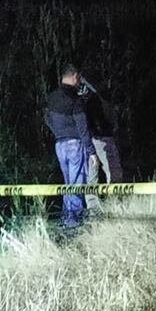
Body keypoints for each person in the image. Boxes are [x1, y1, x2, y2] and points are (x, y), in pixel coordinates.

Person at [43, 64, 91, 229]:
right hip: (75, 144)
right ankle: (73, 223)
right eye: (79, 79)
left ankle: (66, 218)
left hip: (60, 144)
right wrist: (91, 150)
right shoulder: (75, 99)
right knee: (77, 183)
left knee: (67, 182)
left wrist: (58, 132)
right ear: (75, 77)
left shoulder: (52, 97)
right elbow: (82, 126)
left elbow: (47, 118)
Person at [81, 75, 123, 211]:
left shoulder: (86, 101)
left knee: (92, 175)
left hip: (91, 139)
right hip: (103, 138)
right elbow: (109, 120)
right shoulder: (99, 100)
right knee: (113, 171)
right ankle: (115, 204)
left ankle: (93, 207)